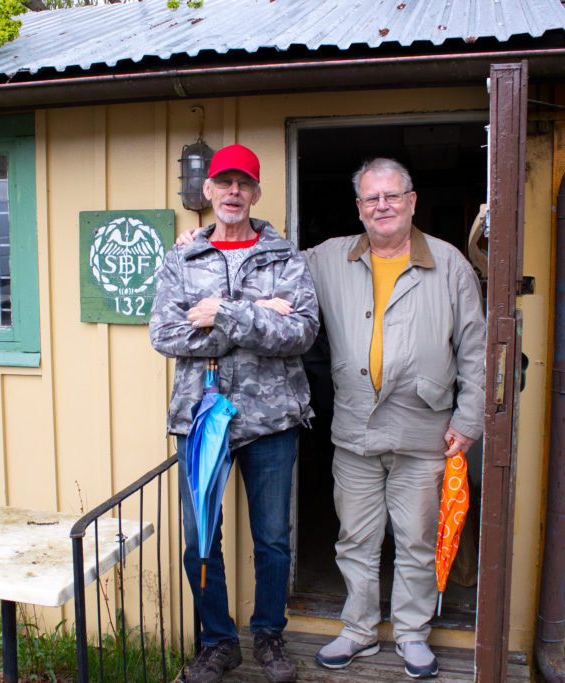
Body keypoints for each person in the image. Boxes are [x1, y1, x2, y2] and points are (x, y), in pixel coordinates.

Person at [305, 158, 485, 679]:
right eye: (370, 198)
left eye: (391, 196)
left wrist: (469, 418)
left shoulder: (448, 262)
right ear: (359, 208)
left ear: (411, 201)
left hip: (425, 428)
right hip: (356, 429)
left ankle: (411, 633)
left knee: (416, 538)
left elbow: (475, 347)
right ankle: (358, 631)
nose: (381, 206)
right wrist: (206, 237)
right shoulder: (330, 257)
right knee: (356, 539)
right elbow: (271, 258)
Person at [149, 144, 319, 683]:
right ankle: (217, 642)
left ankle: (269, 636)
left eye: (243, 183)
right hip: (201, 422)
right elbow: (166, 334)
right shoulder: (182, 258)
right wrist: (258, 316)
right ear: (208, 191)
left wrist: (220, 312)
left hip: (272, 423)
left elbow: (302, 332)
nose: (233, 192)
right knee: (200, 541)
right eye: (223, 182)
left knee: (272, 540)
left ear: (257, 192)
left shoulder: (286, 258)